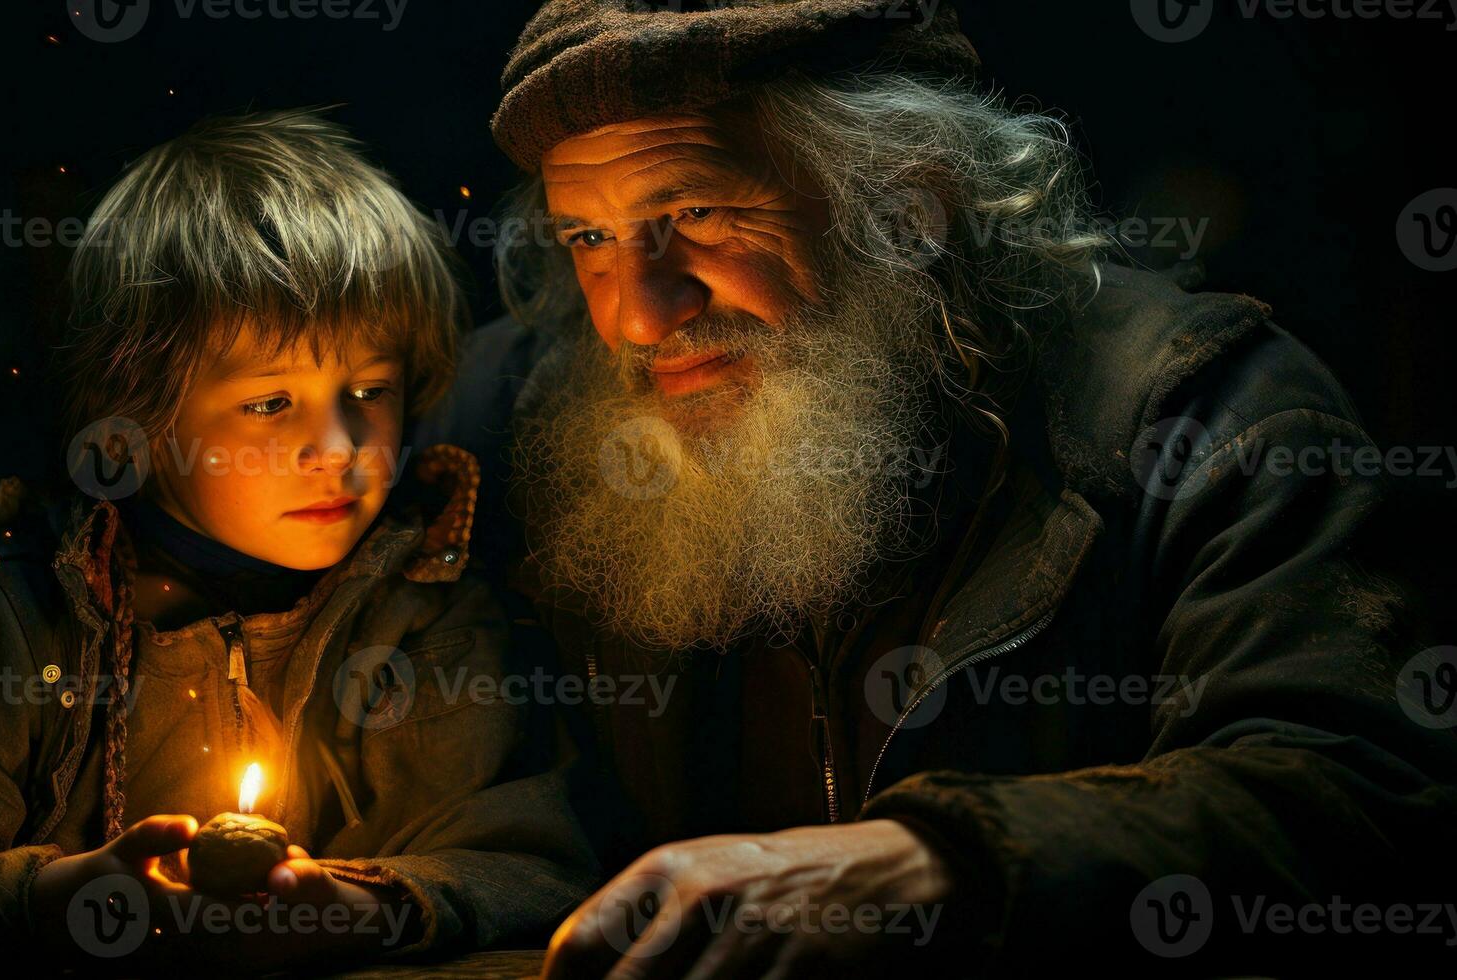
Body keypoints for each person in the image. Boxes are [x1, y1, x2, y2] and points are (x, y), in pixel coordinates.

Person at [413, 0, 1457, 974]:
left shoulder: (1191, 407)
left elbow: (1361, 788)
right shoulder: (522, 408)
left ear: (910, 202)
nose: (637, 318)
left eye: (696, 211)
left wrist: (940, 858)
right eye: (589, 238)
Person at [0, 109, 595, 973]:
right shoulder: (7, 629)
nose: (338, 448)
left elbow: (533, 866)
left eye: (369, 391)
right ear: (138, 418)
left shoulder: (429, 621)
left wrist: (366, 908)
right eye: (269, 403)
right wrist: (42, 901)